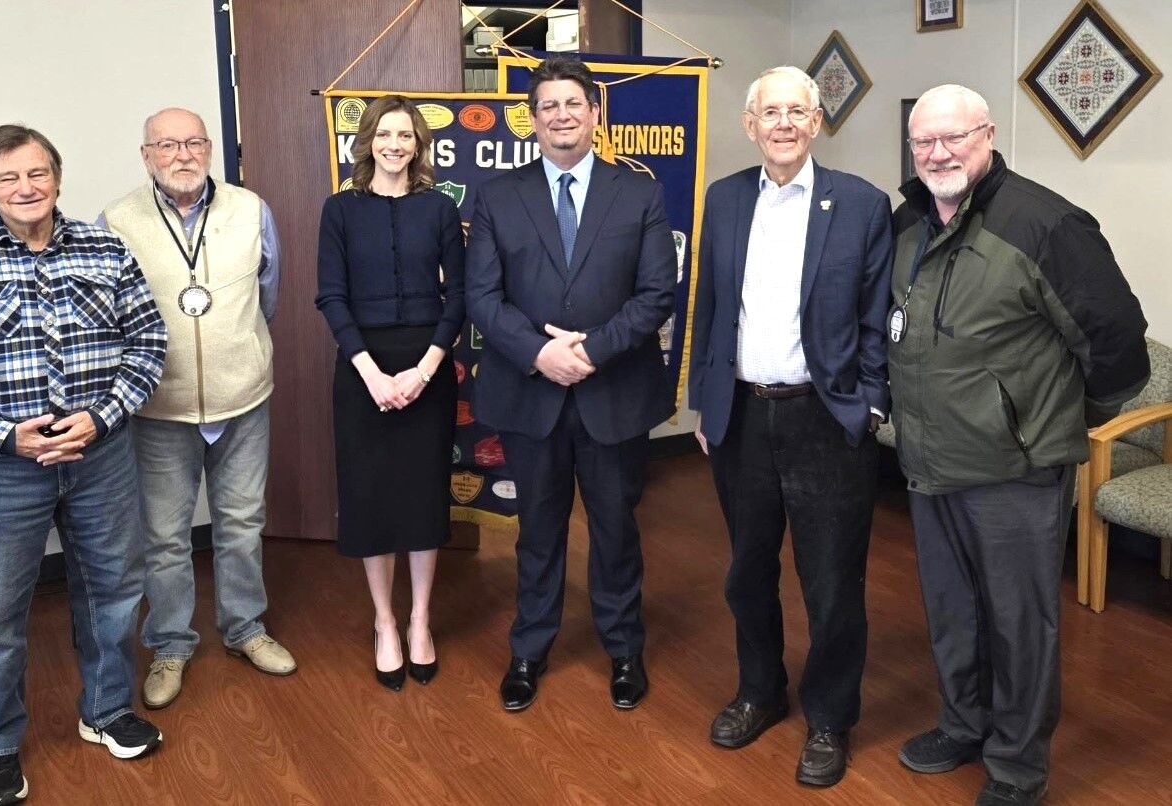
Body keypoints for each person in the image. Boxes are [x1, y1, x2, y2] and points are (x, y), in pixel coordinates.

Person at [890, 85, 1149, 806]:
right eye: (923, 141)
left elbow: (1118, 344)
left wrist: (1054, 417)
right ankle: (963, 724)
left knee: (1019, 626)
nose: (939, 153)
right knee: (953, 612)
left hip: (1017, 471)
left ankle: (1016, 767)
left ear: (989, 135)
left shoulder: (1046, 224)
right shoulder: (908, 221)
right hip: (930, 462)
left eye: (955, 137)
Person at [0, 124, 168, 806]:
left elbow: (147, 344)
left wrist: (101, 416)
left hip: (99, 455)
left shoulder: (107, 249)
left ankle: (107, 711)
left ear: (56, 176)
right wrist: (8, 436)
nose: (25, 188)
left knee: (113, 591)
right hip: (0, 468)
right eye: (8, 178)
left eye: (36, 173)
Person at [687, 66, 893, 787]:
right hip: (741, 415)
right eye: (769, 112)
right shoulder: (724, 198)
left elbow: (876, 317)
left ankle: (830, 718)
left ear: (816, 122)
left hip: (825, 418)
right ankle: (760, 691)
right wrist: (706, 401)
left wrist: (870, 404)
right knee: (747, 572)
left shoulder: (862, 204)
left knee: (831, 582)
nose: (783, 123)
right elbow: (710, 307)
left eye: (796, 112)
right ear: (750, 126)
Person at [466, 57, 677, 712]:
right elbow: (482, 296)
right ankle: (529, 648)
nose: (561, 115)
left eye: (573, 103)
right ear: (532, 119)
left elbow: (656, 293)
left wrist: (590, 352)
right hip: (531, 393)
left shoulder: (638, 192)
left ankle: (624, 648)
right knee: (538, 530)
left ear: (595, 113)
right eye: (548, 105)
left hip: (612, 392)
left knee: (616, 529)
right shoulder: (498, 195)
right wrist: (540, 353)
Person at [99, 108, 294, 710]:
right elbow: (107, 315)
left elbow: (268, 295)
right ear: (146, 155)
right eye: (166, 145)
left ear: (210, 148)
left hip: (243, 401)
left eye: (193, 142)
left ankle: (245, 629)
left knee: (242, 523)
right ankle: (170, 645)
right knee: (163, 537)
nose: (182, 155)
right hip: (160, 406)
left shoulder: (251, 210)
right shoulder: (116, 221)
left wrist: (238, 351)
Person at [315, 95, 465, 691]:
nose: (394, 144)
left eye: (405, 135)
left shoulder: (440, 209)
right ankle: (385, 622)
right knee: (372, 499)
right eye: (384, 133)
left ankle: (420, 619)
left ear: (419, 144)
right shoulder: (339, 210)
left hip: (427, 367)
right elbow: (331, 296)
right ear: (368, 142)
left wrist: (424, 371)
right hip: (363, 370)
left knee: (423, 496)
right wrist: (372, 374)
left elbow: (459, 297)